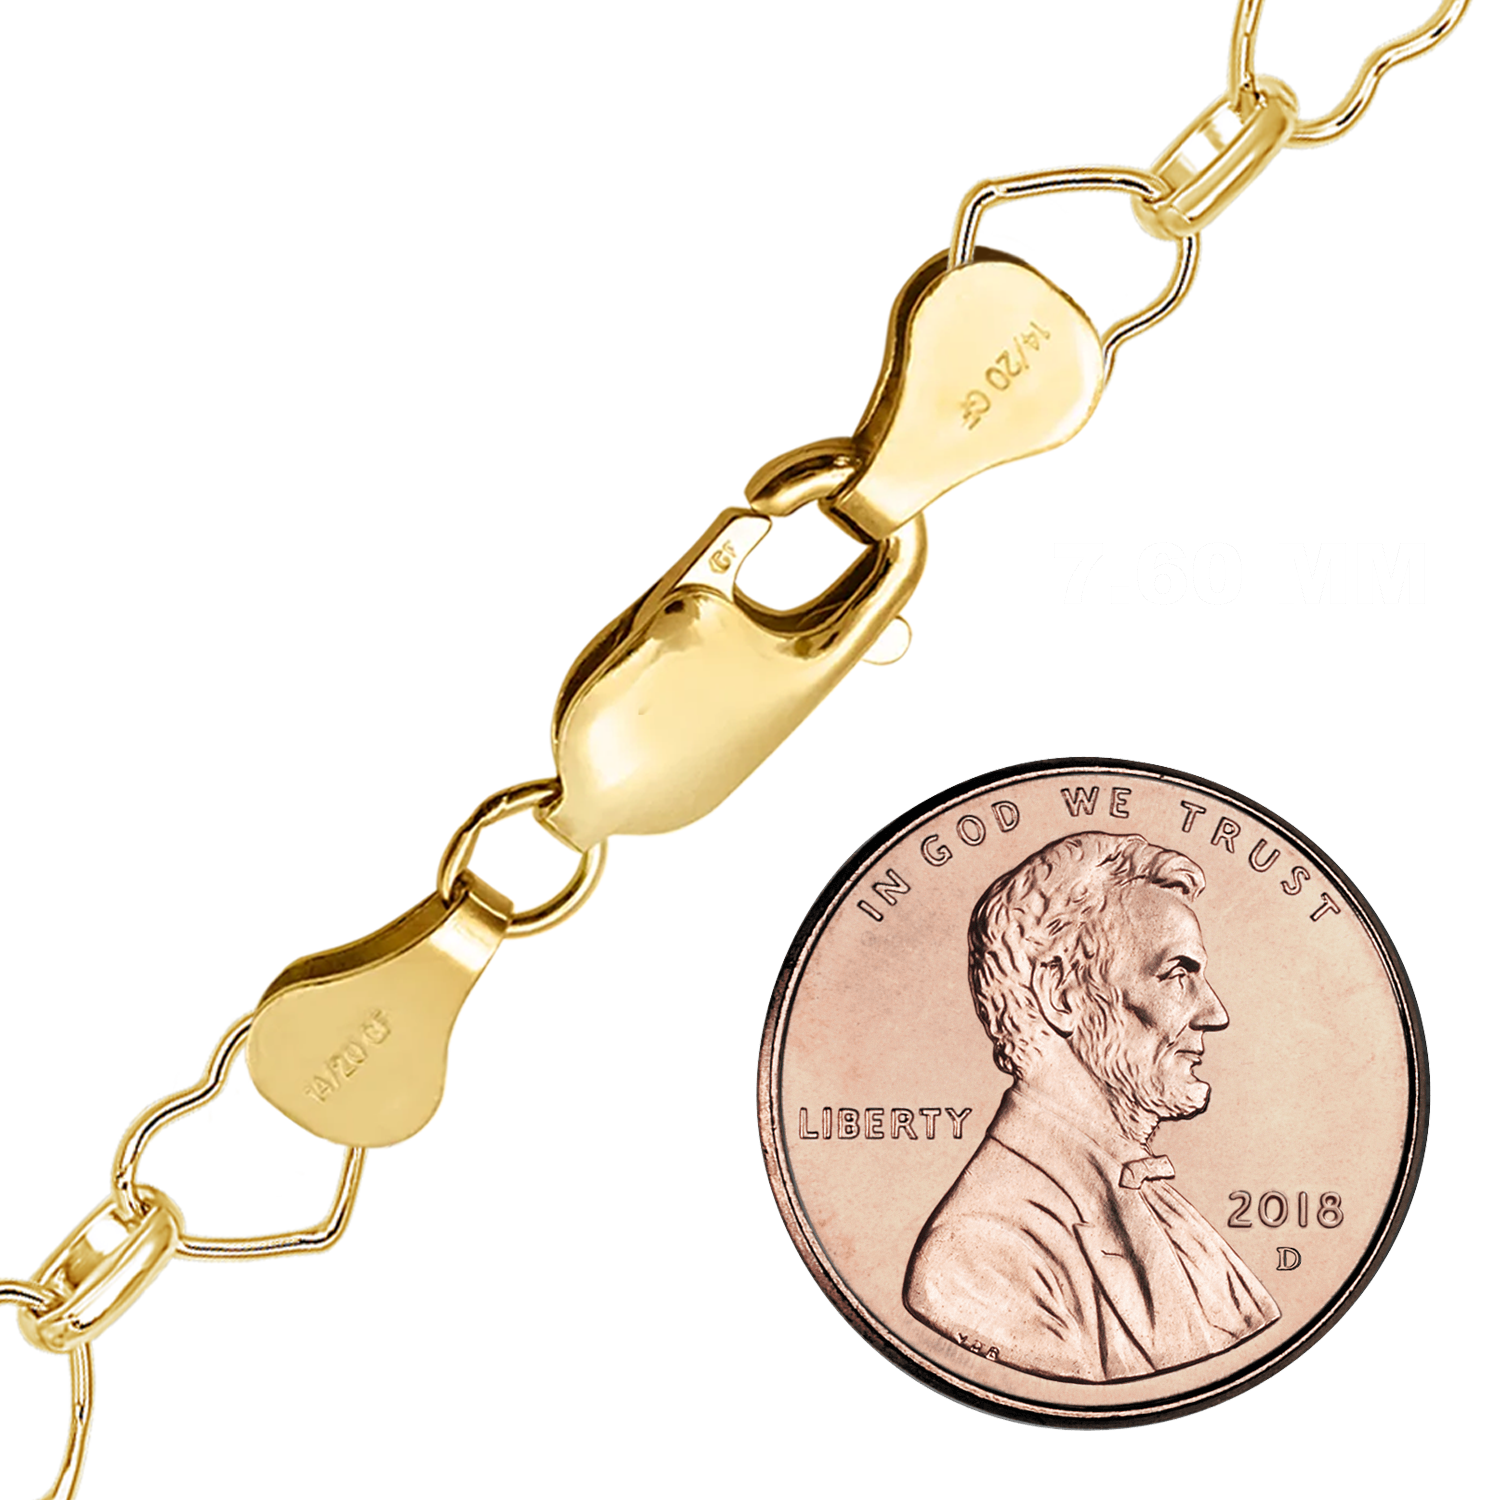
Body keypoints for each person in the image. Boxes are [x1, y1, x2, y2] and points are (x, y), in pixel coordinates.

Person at [903, 831, 1279, 1382]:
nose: (1214, 1013)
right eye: (1177, 975)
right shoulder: (979, 1255)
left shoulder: (1163, 1208)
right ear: (1060, 993)